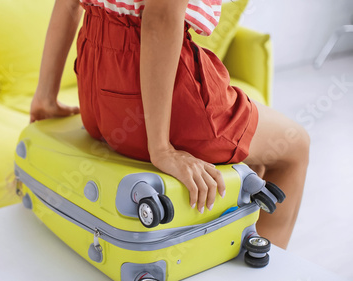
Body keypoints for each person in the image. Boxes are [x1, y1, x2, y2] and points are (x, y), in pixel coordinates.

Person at [29, 0, 310, 249]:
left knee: (250, 160)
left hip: (95, 92)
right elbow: (161, 18)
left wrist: (45, 96)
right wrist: (161, 149)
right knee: (295, 145)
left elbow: (67, 4)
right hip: (161, 95)